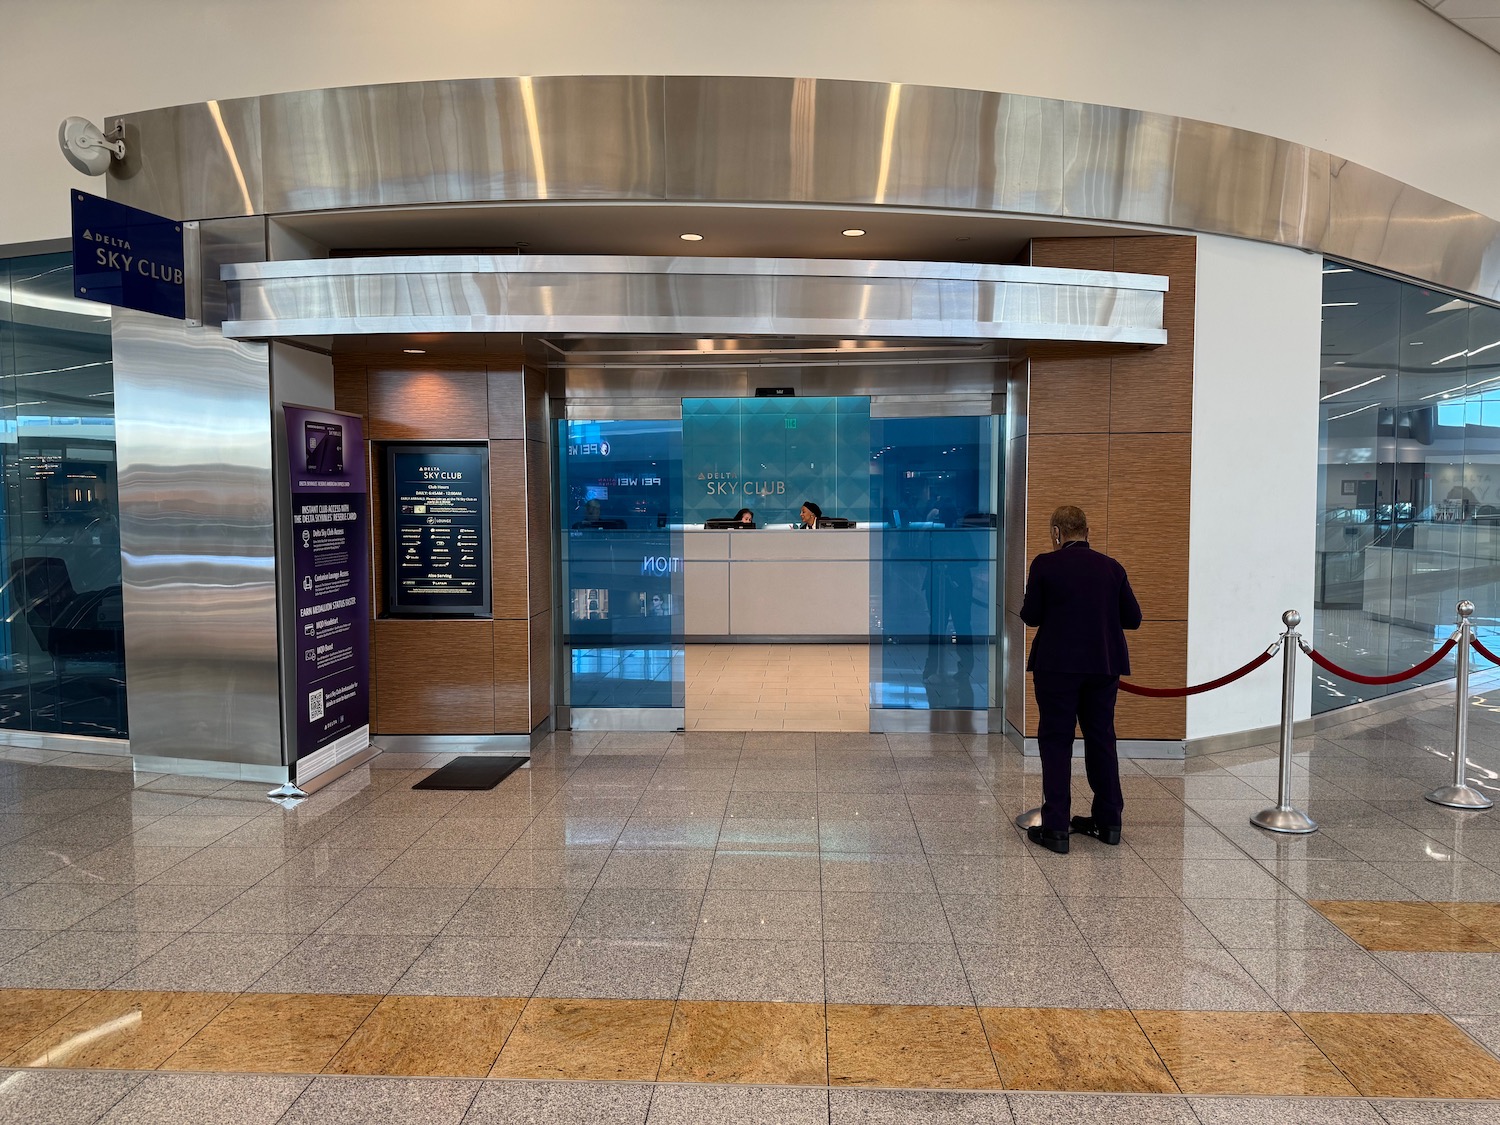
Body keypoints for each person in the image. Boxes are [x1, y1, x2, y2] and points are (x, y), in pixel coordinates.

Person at [1018, 504, 1142, 855]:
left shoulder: (1045, 564)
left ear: (1057, 533)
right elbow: (1133, 618)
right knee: (1101, 738)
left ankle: (1057, 827)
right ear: (1086, 531)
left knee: (1057, 741)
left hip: (1056, 667)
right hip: (1104, 666)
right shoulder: (1112, 567)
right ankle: (1109, 822)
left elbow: (1031, 616)